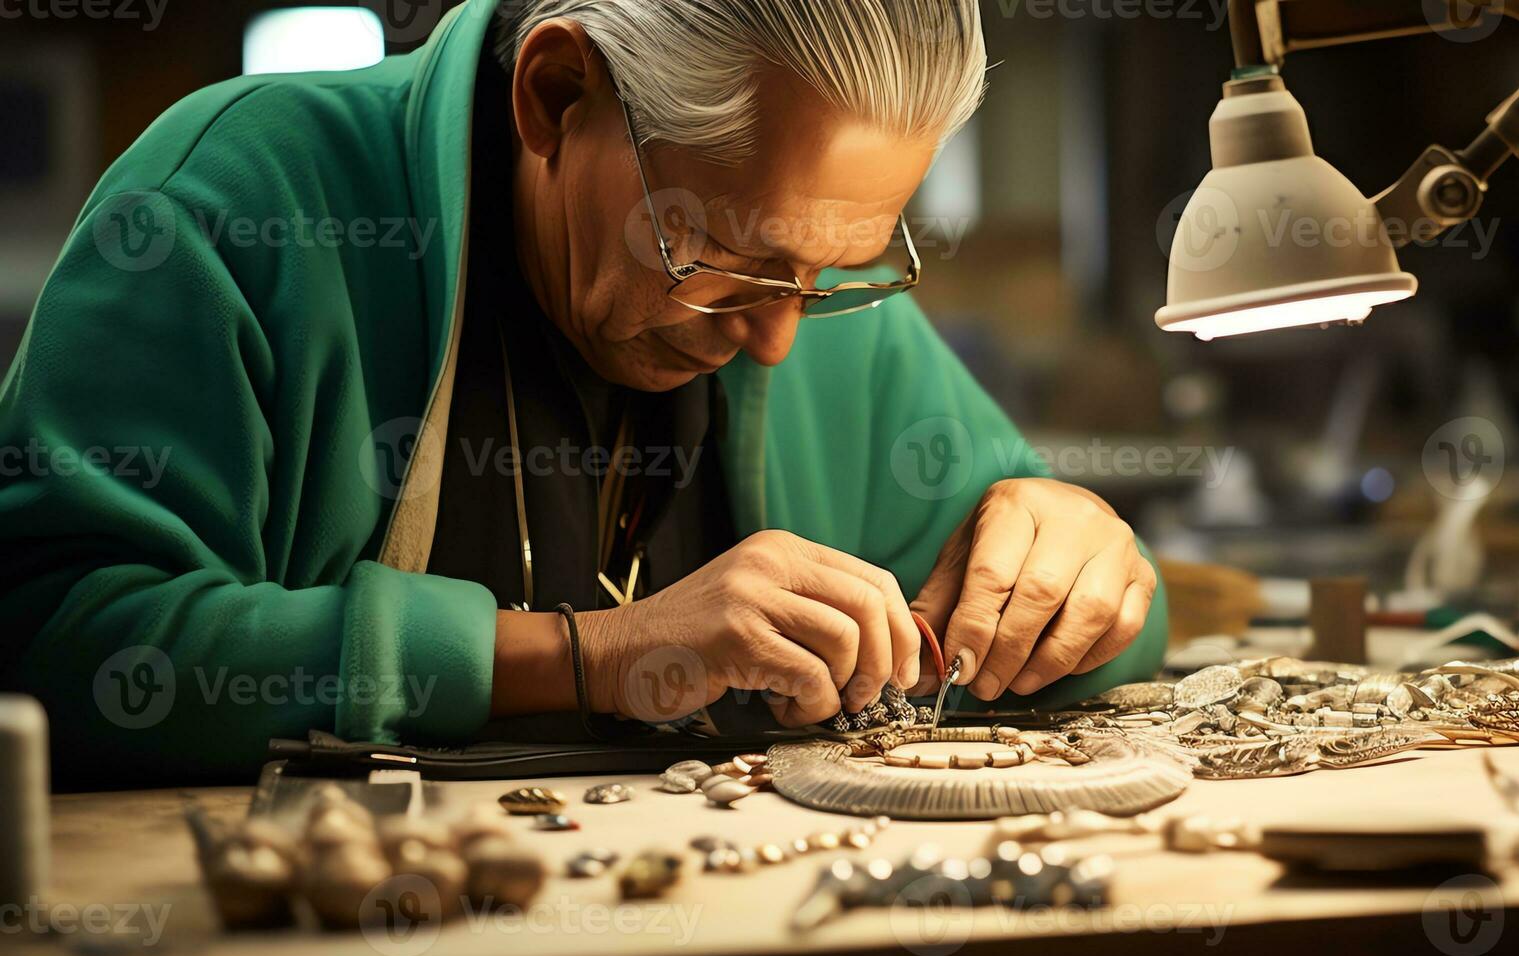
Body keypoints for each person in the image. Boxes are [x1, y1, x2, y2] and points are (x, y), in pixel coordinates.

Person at [0, 0, 1167, 785]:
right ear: (557, 97)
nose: (776, 340)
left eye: (832, 272)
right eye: (732, 263)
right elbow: (62, 638)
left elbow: (1115, 635)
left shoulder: (802, 296)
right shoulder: (233, 202)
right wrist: (593, 652)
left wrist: (1081, 559)